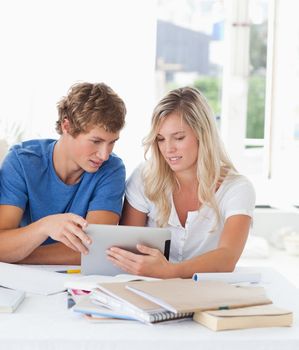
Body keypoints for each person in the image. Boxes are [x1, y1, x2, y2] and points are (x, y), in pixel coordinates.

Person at [107, 86, 255, 278]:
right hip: (147, 286)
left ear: (202, 135)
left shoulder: (237, 188)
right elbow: (128, 249)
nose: (168, 149)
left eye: (178, 137)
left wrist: (171, 271)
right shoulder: (144, 177)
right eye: (160, 139)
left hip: (205, 290)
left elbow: (227, 258)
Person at [0, 82, 126, 264]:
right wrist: (45, 227)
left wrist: (19, 255)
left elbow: (94, 248)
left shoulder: (111, 169)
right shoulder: (21, 162)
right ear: (67, 126)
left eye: (112, 142)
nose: (104, 155)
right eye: (96, 141)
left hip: (71, 280)